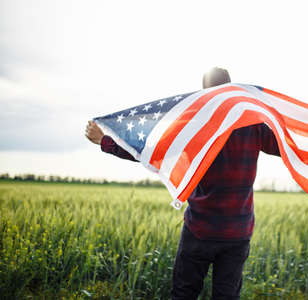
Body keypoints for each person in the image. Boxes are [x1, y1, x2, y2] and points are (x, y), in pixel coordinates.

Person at [85, 67, 280, 299]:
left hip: (200, 229)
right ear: (231, 89)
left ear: (204, 92)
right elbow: (286, 147)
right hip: (237, 232)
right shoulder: (252, 123)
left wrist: (105, 141)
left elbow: (149, 150)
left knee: (184, 294)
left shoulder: (194, 125)